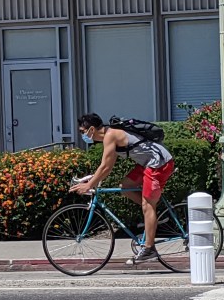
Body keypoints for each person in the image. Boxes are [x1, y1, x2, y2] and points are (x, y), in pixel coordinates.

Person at [70, 113, 175, 263]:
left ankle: (149, 249)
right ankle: (155, 214)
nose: (82, 135)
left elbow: (106, 167)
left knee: (147, 204)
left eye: (82, 131)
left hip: (159, 163)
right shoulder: (109, 135)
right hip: (148, 163)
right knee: (125, 186)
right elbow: (105, 167)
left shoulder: (110, 135)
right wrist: (89, 180)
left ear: (91, 129)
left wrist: (89, 185)